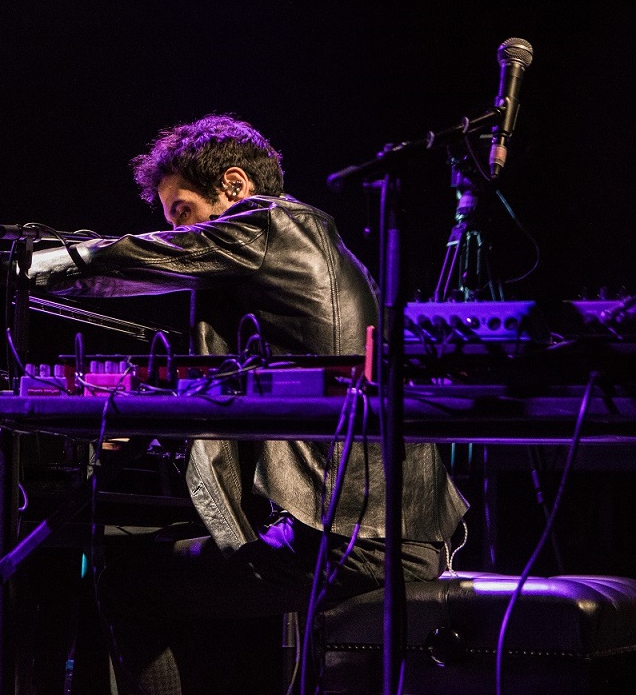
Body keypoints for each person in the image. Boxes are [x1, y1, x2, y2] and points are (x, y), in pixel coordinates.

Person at [25, 114, 469, 694]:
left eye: (182, 211)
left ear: (234, 185)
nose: (178, 231)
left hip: (353, 540)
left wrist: (39, 265)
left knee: (127, 583)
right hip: (388, 532)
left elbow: (157, 257)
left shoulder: (271, 223)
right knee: (180, 555)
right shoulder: (307, 252)